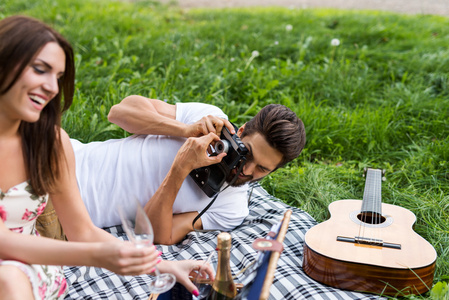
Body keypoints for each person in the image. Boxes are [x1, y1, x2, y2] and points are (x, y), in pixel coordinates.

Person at [0, 15, 212, 300]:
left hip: (26, 276)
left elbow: (82, 230)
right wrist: (99, 255)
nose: (52, 87)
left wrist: (164, 266)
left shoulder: (49, 143)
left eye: (59, 77)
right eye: (41, 70)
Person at [72, 95, 306, 245]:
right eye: (248, 154)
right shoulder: (208, 119)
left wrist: (180, 168)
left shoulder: (232, 208)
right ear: (240, 131)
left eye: (262, 169)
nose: (246, 169)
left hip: (66, 212)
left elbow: (159, 235)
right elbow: (120, 112)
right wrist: (184, 130)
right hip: (64, 158)